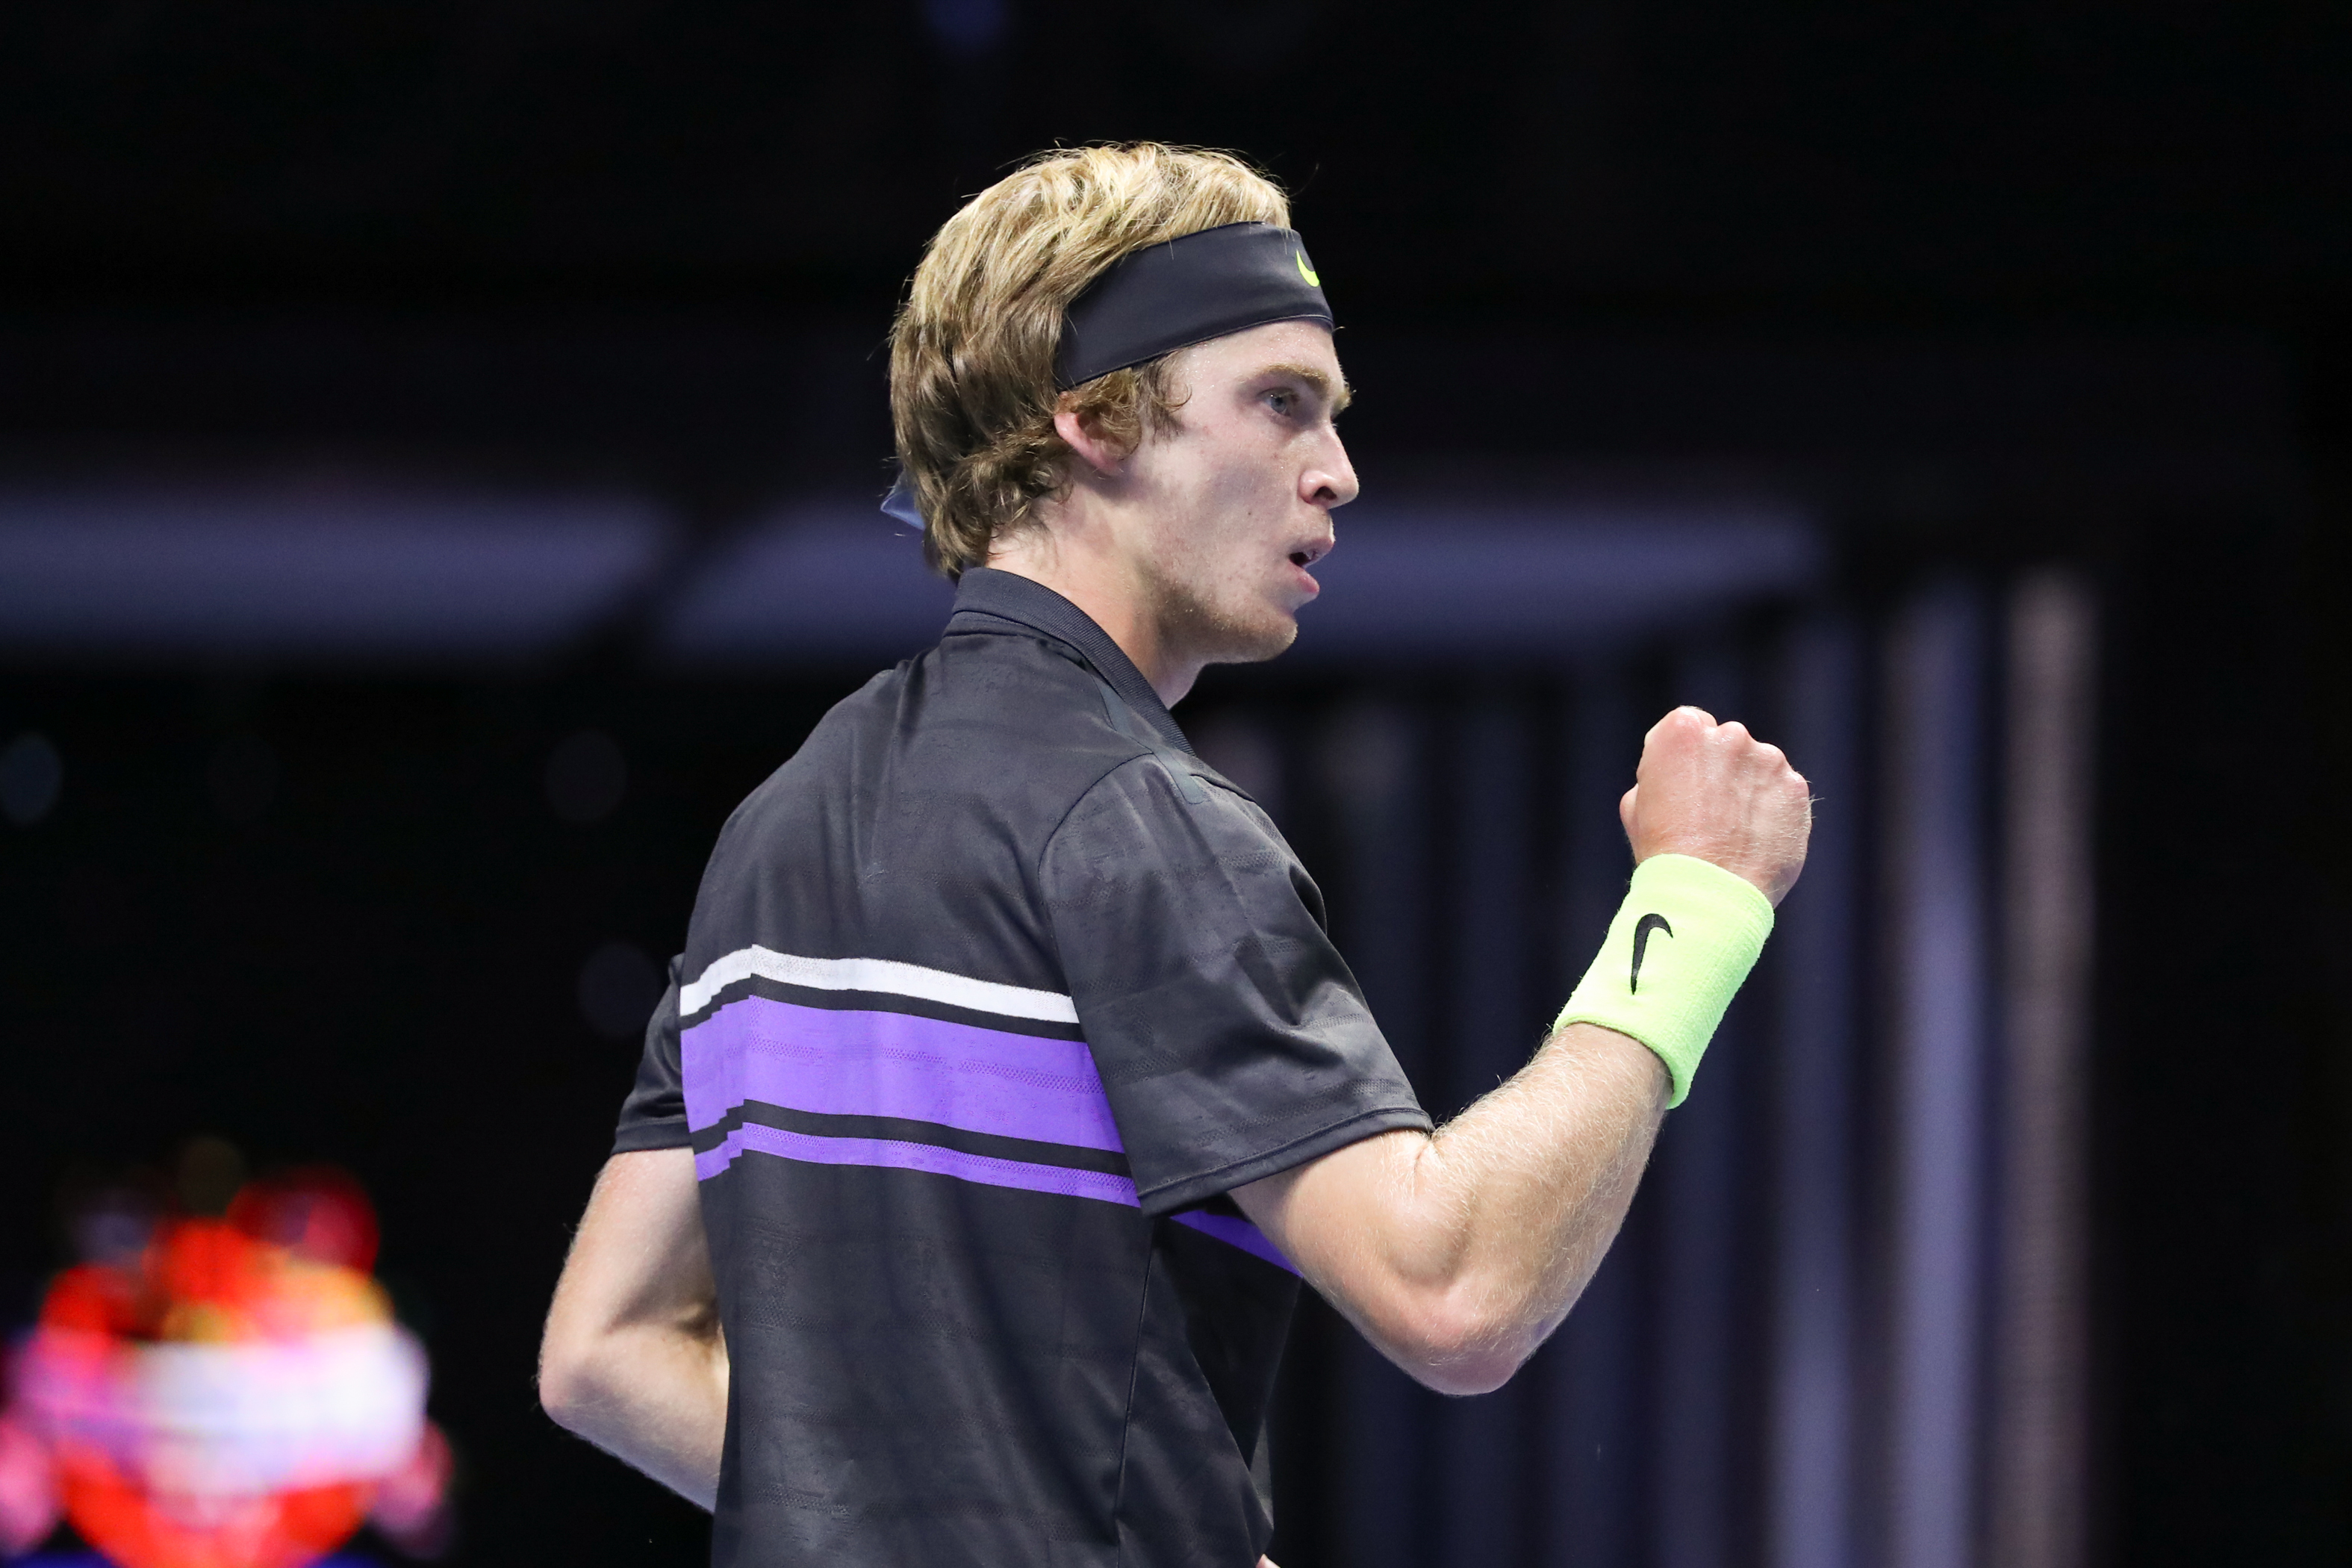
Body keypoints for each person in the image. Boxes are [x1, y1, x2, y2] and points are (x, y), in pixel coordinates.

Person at [538, 143, 1812, 1568]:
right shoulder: (1137, 819)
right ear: (1096, 419)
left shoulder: (778, 826)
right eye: (1281, 403)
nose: (1337, 472)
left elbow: (604, 1351)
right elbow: (1451, 1293)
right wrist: (1696, 900)